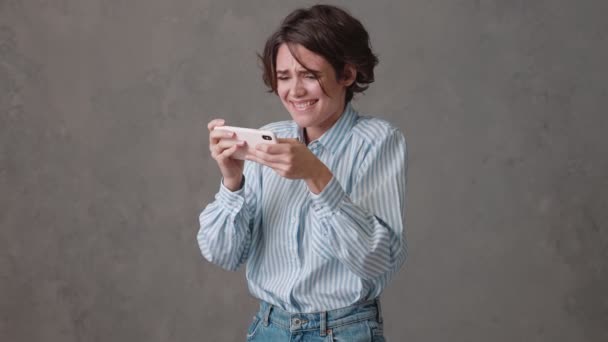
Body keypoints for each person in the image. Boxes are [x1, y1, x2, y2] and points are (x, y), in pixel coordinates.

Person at [198, 4, 407, 341]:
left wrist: (318, 177)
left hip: (343, 331)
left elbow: (377, 261)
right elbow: (223, 254)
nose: (294, 91)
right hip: (269, 328)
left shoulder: (377, 141)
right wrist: (232, 182)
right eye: (284, 77)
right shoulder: (269, 139)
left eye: (309, 75)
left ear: (347, 75)